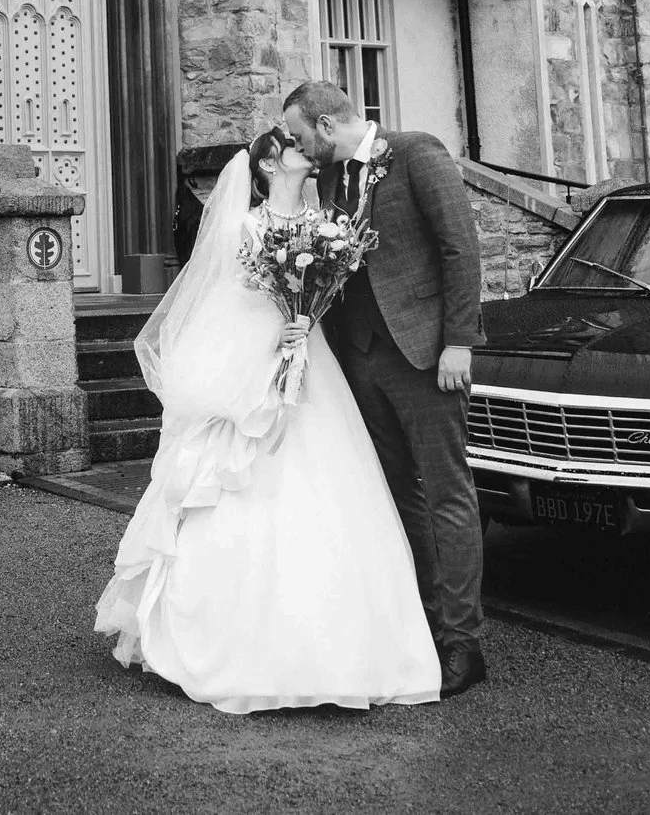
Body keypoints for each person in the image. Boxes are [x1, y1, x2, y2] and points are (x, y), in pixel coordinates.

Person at [94, 127, 441, 714]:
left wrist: (308, 318)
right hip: (256, 373)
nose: (307, 150)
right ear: (269, 165)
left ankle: (347, 652)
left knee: (334, 485)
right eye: (293, 146)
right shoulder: (245, 228)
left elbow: (327, 293)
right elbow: (223, 309)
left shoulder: (325, 224)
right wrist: (272, 341)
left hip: (314, 369)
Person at [280, 78, 488, 698]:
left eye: (299, 134)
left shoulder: (416, 152)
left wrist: (459, 341)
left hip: (424, 354)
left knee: (447, 493)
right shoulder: (328, 178)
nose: (296, 145)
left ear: (325, 125)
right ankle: (422, 625)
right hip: (360, 358)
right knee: (397, 494)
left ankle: (464, 643)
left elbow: (460, 249)